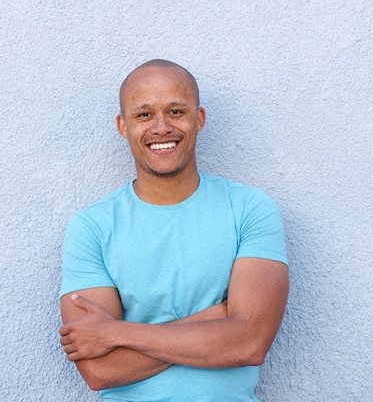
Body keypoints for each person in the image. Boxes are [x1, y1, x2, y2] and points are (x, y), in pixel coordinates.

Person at [58, 59, 289, 402]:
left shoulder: (249, 209)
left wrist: (117, 333)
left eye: (176, 111)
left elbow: (250, 343)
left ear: (199, 119)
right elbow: (100, 371)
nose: (161, 127)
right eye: (144, 114)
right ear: (123, 126)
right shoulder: (92, 226)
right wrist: (218, 318)